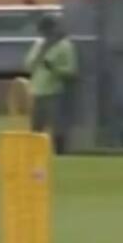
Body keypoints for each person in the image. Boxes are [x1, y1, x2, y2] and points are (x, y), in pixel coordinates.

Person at [24, 14, 77, 154]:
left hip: (54, 92)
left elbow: (71, 70)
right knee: (36, 126)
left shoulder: (65, 45)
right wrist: (39, 54)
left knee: (57, 126)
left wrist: (54, 68)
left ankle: (60, 152)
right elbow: (28, 66)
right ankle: (35, 153)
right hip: (37, 91)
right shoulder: (38, 44)